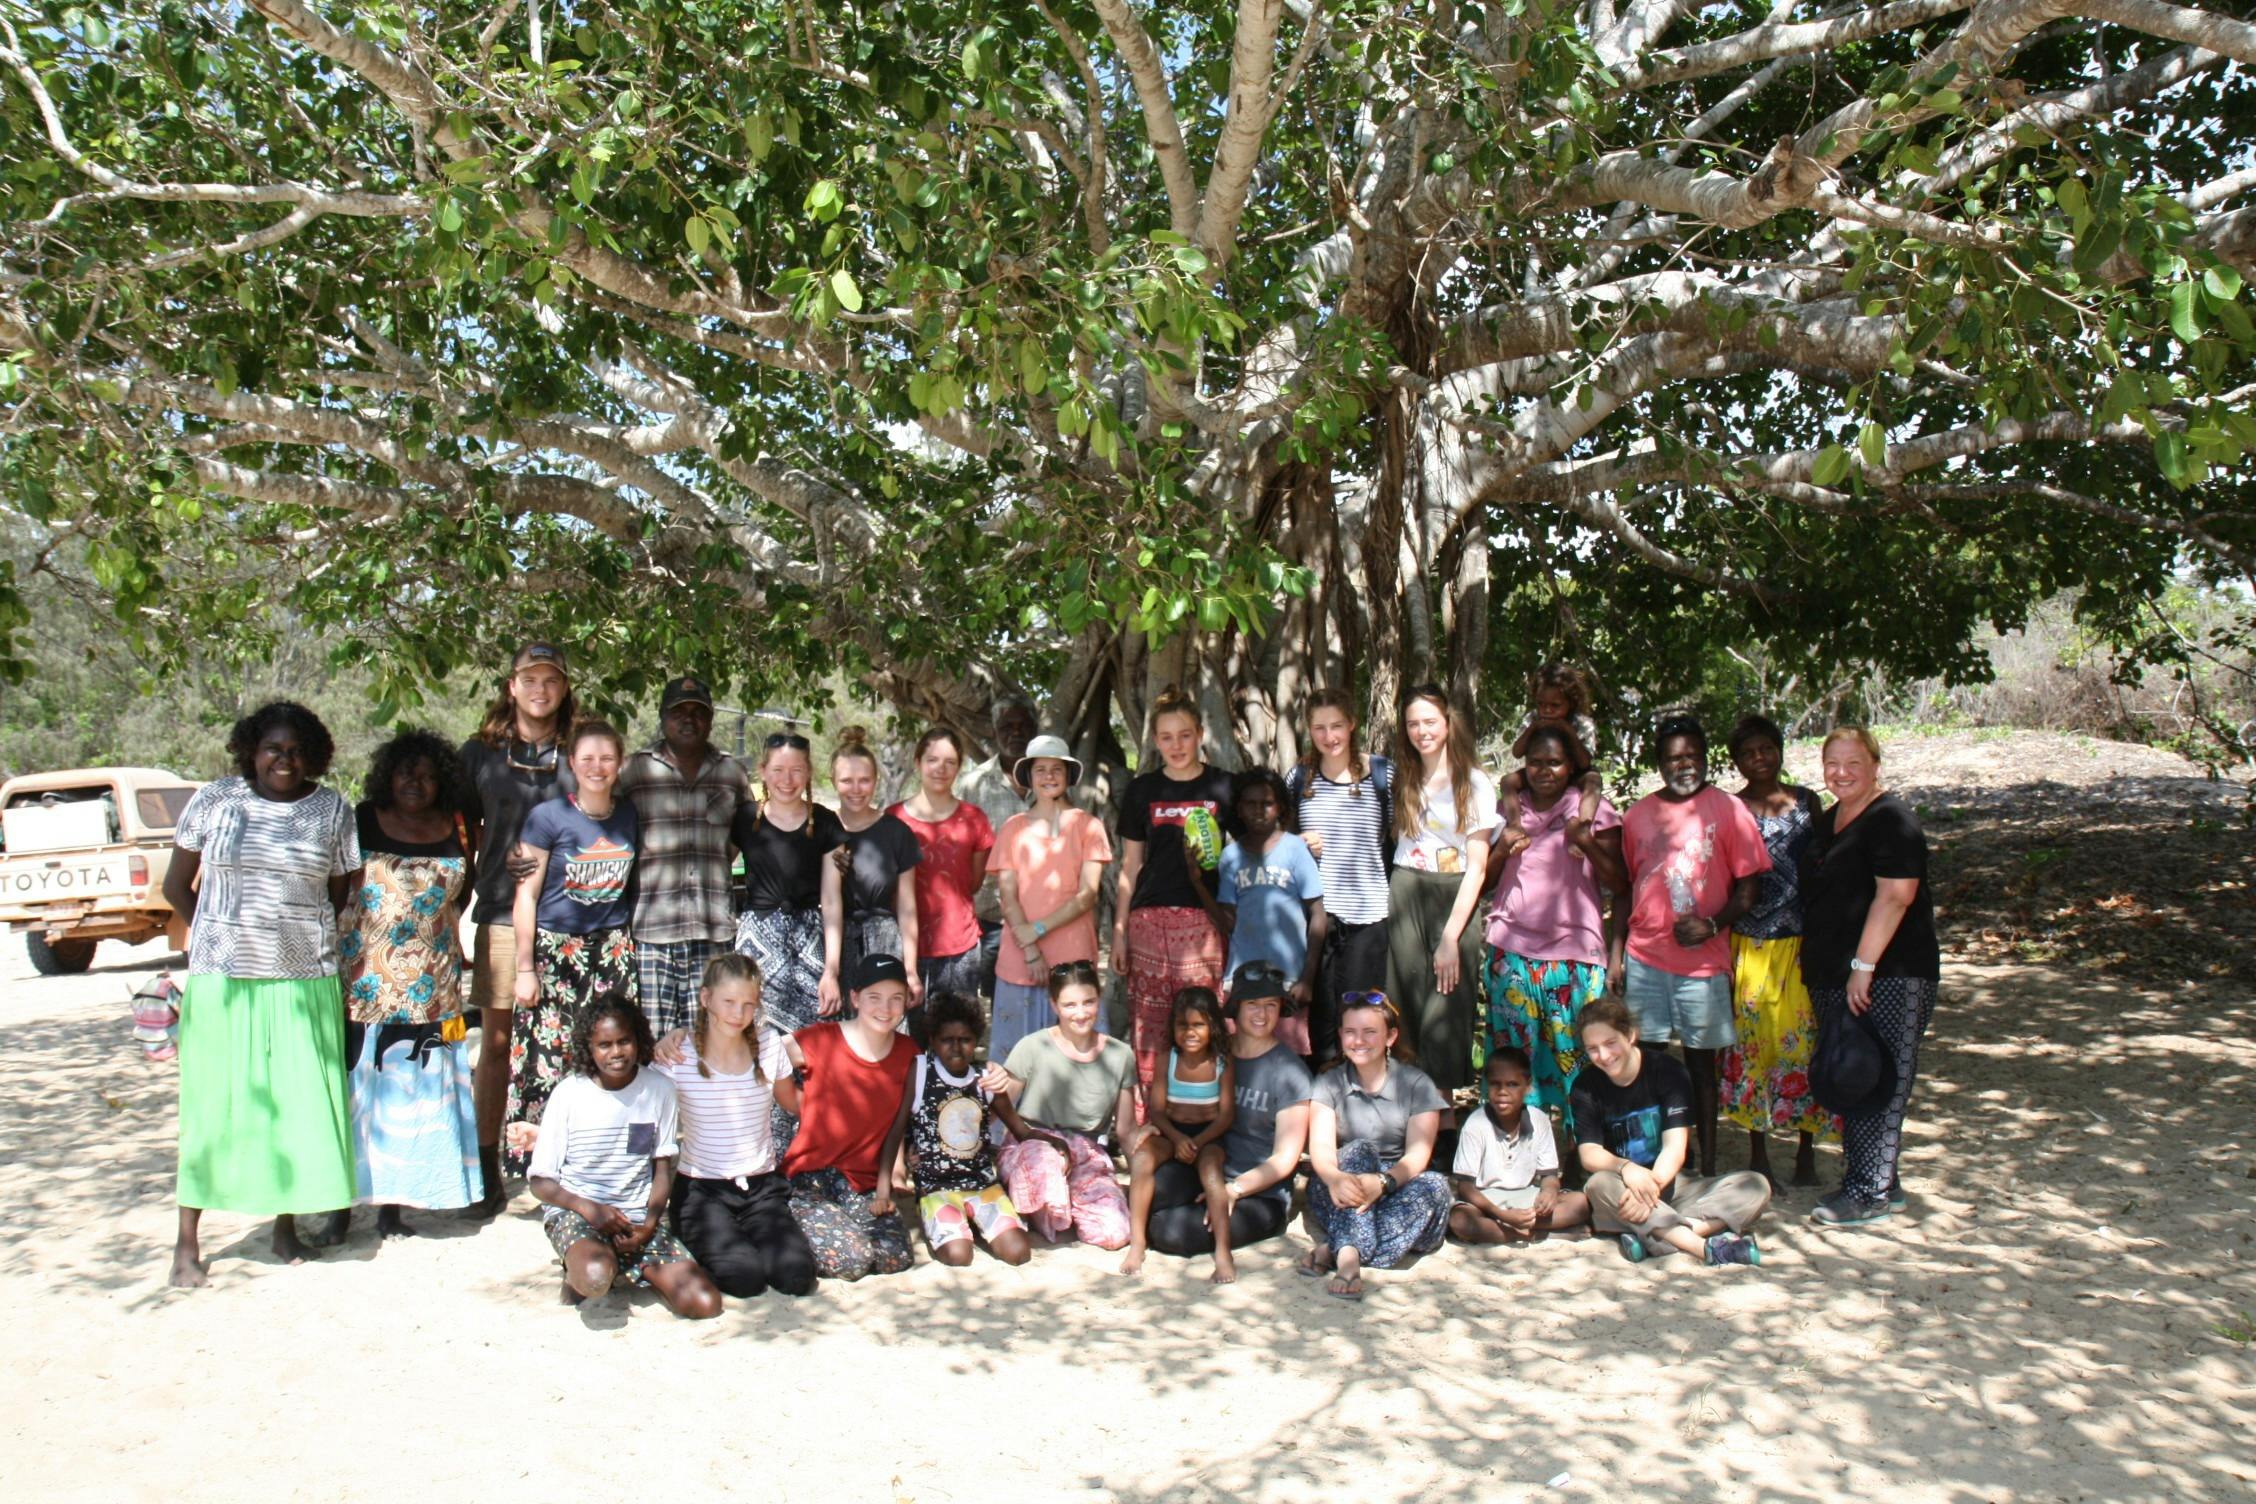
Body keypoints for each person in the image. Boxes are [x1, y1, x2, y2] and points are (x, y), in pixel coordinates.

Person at [165, 701, 362, 1287]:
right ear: (251, 750)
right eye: (274, 748)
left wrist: (295, 938)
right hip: (223, 979)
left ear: (315, 756)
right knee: (210, 1105)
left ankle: (284, 1226)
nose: (285, 759)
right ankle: (186, 1242)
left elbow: (340, 890)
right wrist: (219, 933)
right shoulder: (215, 800)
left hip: (305, 980)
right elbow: (176, 885)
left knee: (295, 1105)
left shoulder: (332, 809)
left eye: (297, 750)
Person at [334, 729, 480, 1239]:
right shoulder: (361, 820)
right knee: (359, 1094)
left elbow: (468, 890)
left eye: (427, 774)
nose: (415, 783)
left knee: (416, 1097)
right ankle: (340, 1206)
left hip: (435, 987)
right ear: (386, 776)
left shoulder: (457, 826)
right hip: (365, 984)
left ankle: (396, 1205)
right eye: (405, 772)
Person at [1618, 714, 1770, 1178]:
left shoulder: (1728, 810)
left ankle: (1706, 1164)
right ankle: (1656, 1161)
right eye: (1672, 758)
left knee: (1703, 1067)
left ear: (1705, 758)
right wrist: (1616, 953)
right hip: (1645, 958)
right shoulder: (1639, 815)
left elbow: (1748, 889)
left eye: (1691, 756)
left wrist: (1710, 923)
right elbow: (1629, 885)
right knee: (1649, 1064)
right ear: (1659, 764)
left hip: (1703, 963)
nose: (1683, 765)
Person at [1800, 727, 1941, 1227]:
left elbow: (1896, 896)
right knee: (1850, 1070)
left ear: (1875, 764)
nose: (1841, 773)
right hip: (1836, 973)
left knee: (1881, 1078)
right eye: (1832, 763)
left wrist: (1863, 967)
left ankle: (1869, 1190)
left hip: (1890, 973)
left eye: (1853, 763)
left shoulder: (1892, 819)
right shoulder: (1829, 819)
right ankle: (1881, 1178)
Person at [458, 641, 577, 1216]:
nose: (540, 689)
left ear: (563, 689)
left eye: (550, 680)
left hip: (573, 917)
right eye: (530, 679)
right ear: (512, 686)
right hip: (503, 915)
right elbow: (455, 825)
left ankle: (567, 1167)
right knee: (499, 1046)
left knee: (568, 1048)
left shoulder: (580, 752)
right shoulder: (481, 754)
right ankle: (486, 1170)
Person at [527, 994, 721, 1317]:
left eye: (624, 1041)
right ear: (589, 1048)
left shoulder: (658, 1090)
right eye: (605, 1045)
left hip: (637, 1219)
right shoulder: (569, 1095)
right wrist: (589, 1209)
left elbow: (662, 1170)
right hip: (580, 1213)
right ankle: (587, 1267)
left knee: (705, 1304)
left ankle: (630, 1265)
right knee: (594, 1276)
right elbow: (540, 1183)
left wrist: (648, 1224)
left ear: (638, 1040)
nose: (616, 1053)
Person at [504, 719, 640, 1178]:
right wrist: (525, 967)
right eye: (587, 759)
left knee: (612, 1055)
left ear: (619, 763)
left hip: (613, 949)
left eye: (606, 758)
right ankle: (540, 1159)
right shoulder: (547, 817)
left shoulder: (629, 815)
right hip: (556, 950)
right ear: (572, 764)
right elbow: (526, 894)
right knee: (548, 1056)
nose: (597, 767)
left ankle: (603, 1155)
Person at [1481, 722, 1627, 1127]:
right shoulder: (1506, 811)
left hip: (1575, 955)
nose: (1544, 771)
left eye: (1555, 763)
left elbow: (1618, 882)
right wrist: (1502, 848)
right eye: (1536, 763)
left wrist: (1585, 841)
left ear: (1571, 767)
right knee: (1514, 1061)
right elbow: (1485, 881)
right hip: (1512, 952)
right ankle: (1523, 1151)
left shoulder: (1593, 810)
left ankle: (1584, 1151)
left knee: (1578, 1056)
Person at [657, 954, 819, 1299]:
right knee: (744, 1279)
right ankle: (699, 1235)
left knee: (796, 1277)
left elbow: (794, 1102)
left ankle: (749, 1235)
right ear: (706, 998)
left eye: (748, 1004)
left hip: (761, 1188)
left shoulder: (769, 1043)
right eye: (728, 1001)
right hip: (702, 1189)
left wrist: (849, 1111)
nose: (738, 1013)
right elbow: (642, 1112)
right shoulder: (678, 1055)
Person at [1720, 715, 1837, 1188]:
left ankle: (1806, 1149)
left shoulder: (1808, 802)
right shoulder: (1729, 808)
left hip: (1800, 942)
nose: (1759, 759)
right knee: (1751, 1047)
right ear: (1738, 762)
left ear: (1780, 749)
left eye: (1766, 749)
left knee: (1804, 1043)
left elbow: (1829, 862)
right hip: (1749, 942)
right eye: (1748, 754)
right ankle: (1758, 1150)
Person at [1570, 996, 1769, 1267]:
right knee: (1598, 1184)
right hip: (1621, 1186)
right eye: (1592, 1049)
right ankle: (1704, 1248)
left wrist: (1651, 1188)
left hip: (1671, 1183)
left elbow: (1675, 1147)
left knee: (1756, 1185)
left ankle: (1657, 1237)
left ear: (1630, 1035)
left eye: (1610, 1043)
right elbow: (1589, 1153)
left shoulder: (1668, 1071)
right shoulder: (1585, 1086)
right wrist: (1627, 1168)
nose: (1603, 1056)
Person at [1140, 963, 1313, 1264]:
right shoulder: (1214, 1052)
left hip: (1258, 1193)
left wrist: (1234, 1190)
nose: (1262, 1014)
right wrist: (1154, 1127)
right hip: (1205, 1165)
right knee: (1153, 1191)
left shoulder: (1290, 1073)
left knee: (1169, 1231)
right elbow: (1175, 1100)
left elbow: (1285, 1159)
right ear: (1236, 1008)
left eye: (1271, 1005)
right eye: (1252, 1004)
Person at [617, 675, 753, 1037]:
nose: (689, 720)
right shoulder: (634, 771)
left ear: (710, 719)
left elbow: (750, 833)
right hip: (653, 929)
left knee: (709, 1039)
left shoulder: (731, 773)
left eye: (698, 712)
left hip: (713, 928)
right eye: (679, 712)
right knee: (655, 1043)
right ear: (663, 717)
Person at [1114, 686, 1235, 1089]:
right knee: (1150, 1025)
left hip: (1204, 923)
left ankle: (1203, 1113)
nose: (1176, 745)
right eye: (1166, 737)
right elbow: (1130, 865)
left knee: (1203, 1022)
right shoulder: (1142, 790)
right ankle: (1150, 1117)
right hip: (1148, 921)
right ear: (1154, 741)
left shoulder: (1223, 787)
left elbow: (1249, 853)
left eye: (1184, 735)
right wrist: (1118, 934)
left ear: (1200, 733)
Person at [874, 992, 1049, 1268]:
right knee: (958, 1256)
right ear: (932, 1041)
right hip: (935, 1186)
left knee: (1018, 1253)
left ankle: (975, 1223)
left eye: (965, 1040)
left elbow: (1019, 1129)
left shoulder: (986, 1079)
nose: (956, 1048)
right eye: (946, 1040)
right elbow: (896, 1129)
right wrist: (883, 1191)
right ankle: (953, 1224)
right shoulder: (921, 1071)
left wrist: (1052, 1143)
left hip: (982, 1184)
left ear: (976, 1041)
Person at [982, 960, 1145, 1248]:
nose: (1080, 1013)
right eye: (1070, 1005)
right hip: (1033, 1144)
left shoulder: (1121, 1055)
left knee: (1115, 1234)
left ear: (1099, 999)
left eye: (1088, 1002)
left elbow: (1127, 1130)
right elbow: (999, 1108)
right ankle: (1043, 1202)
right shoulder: (1032, 1046)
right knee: (1047, 1167)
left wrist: (1143, 1179)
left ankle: (1061, 1203)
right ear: (1055, 1006)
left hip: (1086, 1151)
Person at [1385, 683, 1497, 1096]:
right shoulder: (1403, 776)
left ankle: (1443, 1126)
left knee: (1446, 1012)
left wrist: (1451, 936)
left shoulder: (1474, 783)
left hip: (1454, 897)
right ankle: (1407, 1126)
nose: (1421, 731)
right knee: (1405, 1011)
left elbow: (1478, 867)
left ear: (1449, 723)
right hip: (1406, 892)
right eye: (1413, 723)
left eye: (1430, 721)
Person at [779, 952, 920, 1279]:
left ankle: (837, 1223)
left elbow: (903, 1118)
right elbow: (763, 1055)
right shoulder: (820, 1038)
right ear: (855, 998)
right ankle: (788, 1224)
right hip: (810, 1176)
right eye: (874, 997)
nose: (885, 1009)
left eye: (895, 999)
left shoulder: (909, 1052)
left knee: (893, 1258)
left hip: (864, 1183)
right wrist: (799, 1101)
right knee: (853, 1260)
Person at [1301, 992, 1451, 1299]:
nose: (1359, 1041)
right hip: (1341, 1183)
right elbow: (1322, 1149)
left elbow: (1418, 1155)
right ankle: (1350, 1260)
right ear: (1341, 1035)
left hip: (1396, 1182)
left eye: (1370, 1032)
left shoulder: (1416, 1083)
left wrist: (1383, 1183)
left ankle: (1335, 1247)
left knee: (1436, 1187)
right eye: (1350, 1032)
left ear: (1390, 1036)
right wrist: (1336, 1178)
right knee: (1359, 1150)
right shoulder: (1329, 1082)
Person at [1286, 690, 1394, 1065]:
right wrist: (1299, 843)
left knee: (1362, 1012)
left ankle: (1362, 1093)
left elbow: (1397, 836)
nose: (1329, 736)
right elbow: (1281, 843)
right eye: (1319, 728)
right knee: (1320, 1014)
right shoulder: (1299, 777)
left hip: (1368, 912)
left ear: (1352, 724)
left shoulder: (1382, 774)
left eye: (1336, 726)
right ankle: (1324, 1099)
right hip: (1317, 915)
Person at [989, 734, 1113, 1060]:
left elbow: (1087, 895)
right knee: (1015, 1060)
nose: (1048, 776)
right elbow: (1007, 895)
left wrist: (1038, 929)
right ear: (1028, 776)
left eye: (1056, 769)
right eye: (1040, 769)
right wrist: (1030, 947)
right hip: (1020, 959)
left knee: (1077, 1057)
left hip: (1072, 959)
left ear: (1069, 775)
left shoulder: (1088, 826)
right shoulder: (1013, 828)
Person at [729, 731, 844, 1037]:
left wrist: (830, 970)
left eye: (796, 771)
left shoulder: (826, 822)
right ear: (763, 771)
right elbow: (717, 868)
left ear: (808, 773)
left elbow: (831, 900)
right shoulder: (743, 819)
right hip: (757, 942)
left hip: (809, 942)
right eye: (778, 770)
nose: (787, 779)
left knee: (815, 1038)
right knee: (755, 1035)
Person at [1120, 988, 1238, 1282]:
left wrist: (1197, 1142)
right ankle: (1138, 1243)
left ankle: (1223, 1251)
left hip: (1208, 1136)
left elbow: (1226, 1116)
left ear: (1213, 1025)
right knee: (1142, 1158)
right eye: (1183, 1025)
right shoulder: (1167, 1059)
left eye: (1198, 1025)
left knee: (1211, 1171)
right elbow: (1157, 1111)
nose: (1190, 1032)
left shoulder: (1222, 1061)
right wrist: (1176, 1139)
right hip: (1172, 1132)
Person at [1212, 768, 1326, 1057]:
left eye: (1267, 803)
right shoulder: (1231, 856)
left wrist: (1308, 979)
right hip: (1243, 978)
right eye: (1250, 804)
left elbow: (1319, 915)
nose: (1258, 811)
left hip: (1287, 978)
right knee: (1242, 1056)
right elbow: (1226, 921)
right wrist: (1193, 879)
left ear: (1281, 808)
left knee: (1287, 1058)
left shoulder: (1295, 850)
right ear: (1238, 808)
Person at [819, 727, 922, 1018]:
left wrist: (911, 970)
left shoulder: (896, 832)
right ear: (833, 782)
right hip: (835, 944)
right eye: (847, 780)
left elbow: (907, 906)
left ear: (876, 781)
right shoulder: (822, 830)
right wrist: (831, 967)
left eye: (864, 780)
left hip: (885, 941)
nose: (856, 789)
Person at [891, 728, 995, 1005]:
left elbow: (973, 883)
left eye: (950, 762)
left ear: (960, 767)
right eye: (932, 760)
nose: (941, 769)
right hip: (904, 947)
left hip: (960, 946)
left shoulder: (975, 819)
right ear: (917, 763)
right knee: (909, 1040)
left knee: (954, 1036)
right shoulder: (893, 820)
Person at [1448, 1048, 1589, 1245]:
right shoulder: (1475, 1124)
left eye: (1512, 1084)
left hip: (1526, 1197)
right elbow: (1465, 1188)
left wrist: (1548, 1193)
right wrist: (1502, 1214)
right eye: (1495, 1084)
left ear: (1528, 1087)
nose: (1503, 1092)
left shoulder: (1539, 1120)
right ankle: (1533, 1234)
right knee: (1460, 1221)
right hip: (1486, 1201)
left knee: (1580, 1203)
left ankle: (1511, 1230)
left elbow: (1549, 1175)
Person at [956, 692, 1041, 990]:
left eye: (1023, 726)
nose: (1015, 733)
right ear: (994, 732)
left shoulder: (1053, 782)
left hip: (1045, 919)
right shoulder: (972, 785)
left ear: (1035, 729)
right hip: (991, 921)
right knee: (996, 1001)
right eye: (1007, 727)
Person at [1495, 663, 1606, 858]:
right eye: (1541, 704)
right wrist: (1533, 728)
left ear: (1570, 703)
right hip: (1540, 773)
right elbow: (1517, 752)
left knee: (1593, 780)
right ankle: (1515, 826)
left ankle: (1583, 826)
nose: (1547, 710)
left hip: (1575, 772)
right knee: (1507, 781)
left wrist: (1567, 731)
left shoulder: (1581, 723)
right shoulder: (1532, 719)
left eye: (1555, 706)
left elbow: (1584, 762)